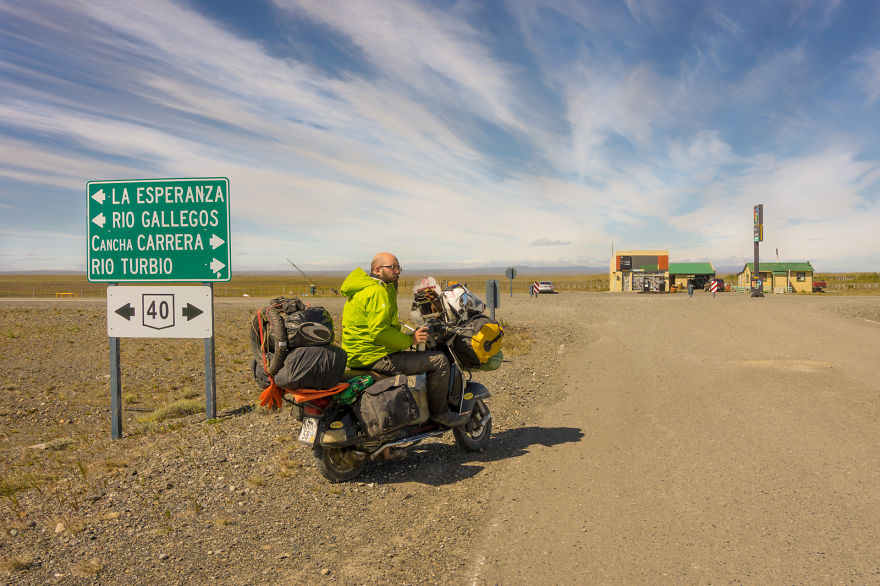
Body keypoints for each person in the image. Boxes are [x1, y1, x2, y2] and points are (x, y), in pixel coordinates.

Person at [340, 252, 469, 428]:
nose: (397, 271)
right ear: (377, 270)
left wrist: (404, 336)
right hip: (376, 357)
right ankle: (440, 415)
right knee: (438, 361)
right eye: (393, 267)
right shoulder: (377, 291)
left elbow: (374, 327)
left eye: (399, 267)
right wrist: (410, 340)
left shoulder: (362, 290)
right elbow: (379, 333)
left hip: (358, 355)